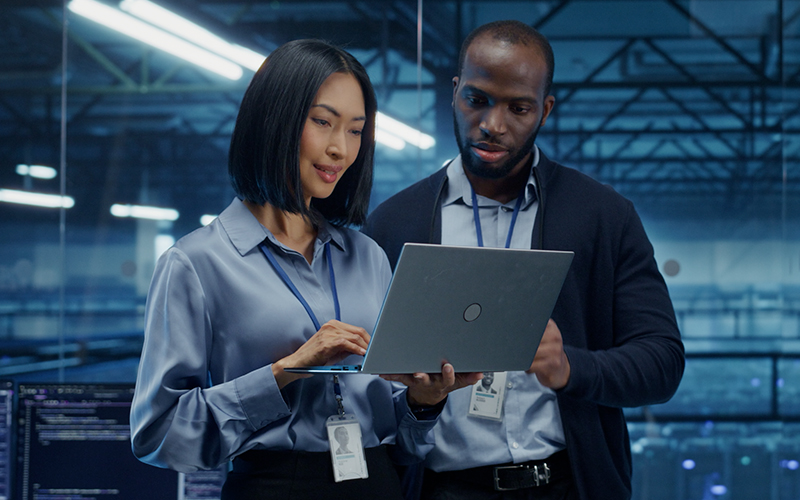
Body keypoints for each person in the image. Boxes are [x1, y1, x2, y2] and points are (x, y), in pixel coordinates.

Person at [129, 39, 479, 500]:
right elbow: (159, 434)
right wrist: (286, 371)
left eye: (356, 131)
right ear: (275, 120)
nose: (341, 149)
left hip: (376, 483)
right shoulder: (196, 263)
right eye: (323, 122)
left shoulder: (368, 256)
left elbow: (403, 440)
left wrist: (424, 401)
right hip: (274, 484)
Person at [362, 20, 685, 499]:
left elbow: (662, 363)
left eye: (518, 107)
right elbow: (369, 387)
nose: (493, 124)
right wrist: (418, 400)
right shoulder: (393, 226)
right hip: (443, 489)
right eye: (477, 100)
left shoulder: (602, 216)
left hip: (566, 485)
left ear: (545, 110)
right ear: (454, 93)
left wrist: (571, 368)